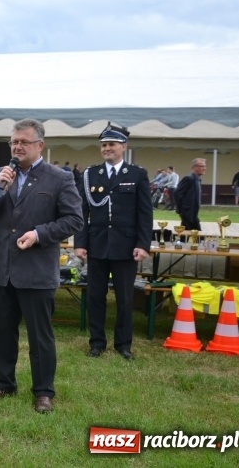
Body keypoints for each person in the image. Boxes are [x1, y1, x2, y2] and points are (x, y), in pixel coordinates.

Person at [0, 119, 82, 413]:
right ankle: (3, 383)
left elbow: (74, 220)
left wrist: (39, 234)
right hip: (3, 270)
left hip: (36, 271)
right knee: (2, 332)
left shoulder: (59, 178)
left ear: (40, 146)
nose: (17, 146)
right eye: (13, 142)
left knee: (40, 336)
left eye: (23, 142)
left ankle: (43, 391)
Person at [74, 123, 152, 361]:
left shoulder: (137, 175)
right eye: (104, 145)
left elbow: (144, 213)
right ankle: (97, 343)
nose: (107, 148)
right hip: (97, 245)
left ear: (123, 147)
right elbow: (82, 211)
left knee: (125, 298)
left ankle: (123, 344)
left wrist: (143, 244)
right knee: (96, 297)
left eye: (111, 144)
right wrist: (80, 242)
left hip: (126, 247)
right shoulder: (91, 175)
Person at [173, 158, 206, 231]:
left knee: (185, 232)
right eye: (202, 166)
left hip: (193, 212)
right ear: (195, 167)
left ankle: (181, 242)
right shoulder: (189, 179)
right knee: (198, 234)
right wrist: (181, 209)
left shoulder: (198, 179)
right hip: (188, 212)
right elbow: (177, 193)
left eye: (205, 166)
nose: (204, 168)